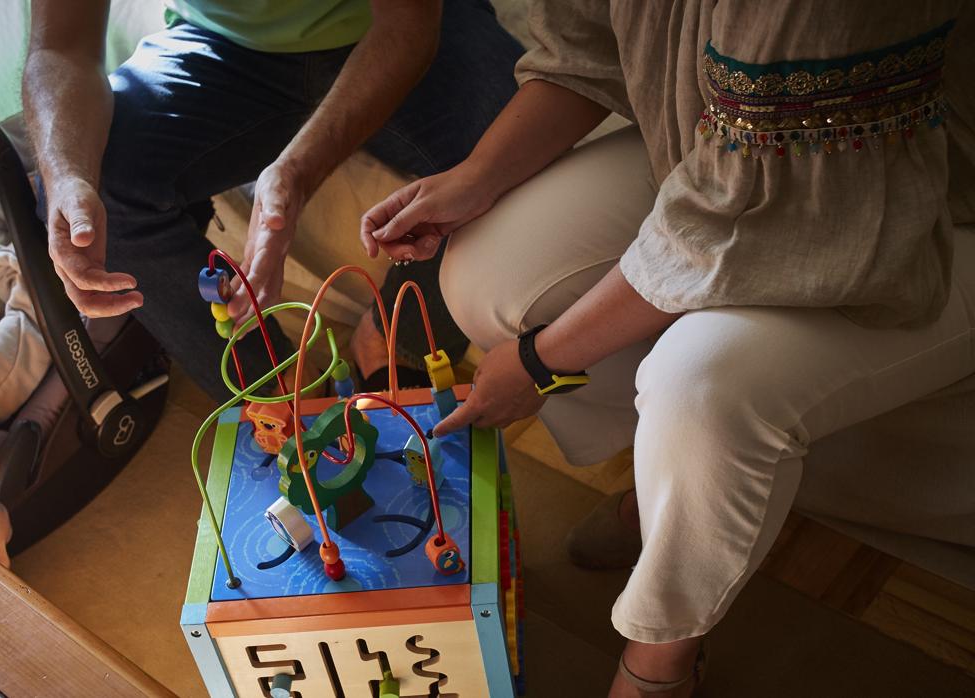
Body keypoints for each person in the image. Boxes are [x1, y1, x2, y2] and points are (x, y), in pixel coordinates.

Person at [362, 1, 975, 695]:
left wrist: (540, 361)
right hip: (723, 147)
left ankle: (662, 659)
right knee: (484, 274)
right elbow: (586, 49)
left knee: (702, 390)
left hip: (917, 196)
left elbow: (737, 208)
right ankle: (670, 501)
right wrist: (474, 177)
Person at [22, 0, 522, 399]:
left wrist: (296, 172)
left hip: (396, 24)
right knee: (89, 188)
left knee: (524, 149)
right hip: (222, 47)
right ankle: (279, 390)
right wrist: (67, 176)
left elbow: (408, 23)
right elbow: (59, 49)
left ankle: (400, 339)